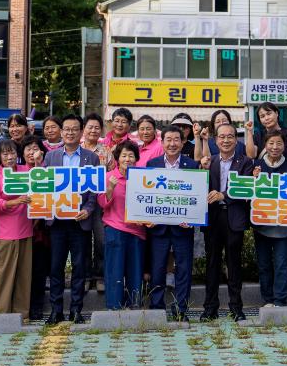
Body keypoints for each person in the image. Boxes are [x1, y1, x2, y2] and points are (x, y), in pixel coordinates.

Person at [43, 114, 100, 324]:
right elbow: (44, 189)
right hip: (57, 222)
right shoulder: (50, 157)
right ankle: (56, 310)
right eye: (66, 129)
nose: (69, 133)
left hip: (80, 222)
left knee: (79, 268)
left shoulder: (91, 158)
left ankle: (76, 310)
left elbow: (94, 192)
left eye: (74, 129)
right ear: (61, 131)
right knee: (56, 267)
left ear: (81, 131)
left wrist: (88, 209)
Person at [201, 123, 255, 321]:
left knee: (234, 265)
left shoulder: (246, 162)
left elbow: (244, 190)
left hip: (234, 217)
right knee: (212, 264)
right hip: (213, 219)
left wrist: (222, 195)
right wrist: (202, 169)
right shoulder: (209, 162)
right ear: (216, 140)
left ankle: (236, 308)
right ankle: (210, 308)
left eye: (230, 137)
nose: (226, 140)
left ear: (236, 140)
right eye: (222, 137)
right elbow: (198, 188)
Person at [146, 125, 200, 320]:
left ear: (182, 142)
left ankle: (181, 310)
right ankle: (157, 309)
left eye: (176, 139)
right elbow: (147, 196)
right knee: (157, 268)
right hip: (158, 228)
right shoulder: (152, 164)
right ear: (162, 142)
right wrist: (147, 217)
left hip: (182, 228)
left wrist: (193, 219)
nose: (172, 143)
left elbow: (197, 197)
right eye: (168, 139)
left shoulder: (192, 166)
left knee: (183, 269)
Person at [0, 140, 33, 318]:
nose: (10, 156)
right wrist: (16, 201)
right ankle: (0, 315)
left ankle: (22, 315)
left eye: (12, 152)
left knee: (24, 276)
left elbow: (40, 187)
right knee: (3, 275)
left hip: (26, 230)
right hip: (6, 233)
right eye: (5, 153)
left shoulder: (26, 171)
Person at [251, 130, 287, 308]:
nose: (275, 147)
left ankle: (280, 301)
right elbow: (249, 194)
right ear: (265, 146)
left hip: (284, 225)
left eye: (279, 143)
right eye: (271, 143)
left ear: (284, 146)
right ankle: (267, 299)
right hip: (261, 224)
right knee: (263, 265)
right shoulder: (257, 166)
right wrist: (253, 180)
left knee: (282, 265)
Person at [101, 141, 146, 310]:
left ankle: (134, 305)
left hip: (138, 231)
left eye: (131, 155)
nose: (128, 159)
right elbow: (102, 204)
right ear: (117, 158)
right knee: (115, 271)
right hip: (115, 229)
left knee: (135, 271)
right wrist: (110, 188)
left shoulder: (144, 177)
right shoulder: (108, 177)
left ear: (137, 158)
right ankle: (114, 307)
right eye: (124, 155)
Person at [82, 112, 112, 294]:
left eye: (96, 127)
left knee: (102, 240)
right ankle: (85, 276)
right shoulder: (76, 149)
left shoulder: (106, 151)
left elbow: (112, 175)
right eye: (90, 127)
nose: (93, 130)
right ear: (83, 129)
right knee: (83, 240)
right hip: (81, 203)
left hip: (100, 203)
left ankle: (100, 276)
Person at [21, 134, 49, 320]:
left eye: (35, 148)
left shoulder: (47, 170)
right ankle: (22, 306)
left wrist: (39, 166)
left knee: (39, 269)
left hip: (42, 230)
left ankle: (37, 306)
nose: (32, 152)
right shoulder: (17, 171)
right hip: (20, 227)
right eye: (28, 149)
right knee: (23, 270)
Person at [248, 103, 287, 170]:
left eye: (269, 114)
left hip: (284, 176)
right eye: (262, 116)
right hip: (263, 177)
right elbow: (251, 155)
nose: (266, 118)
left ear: (276, 113)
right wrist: (249, 132)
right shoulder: (258, 135)